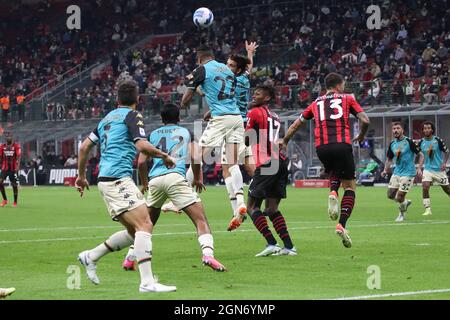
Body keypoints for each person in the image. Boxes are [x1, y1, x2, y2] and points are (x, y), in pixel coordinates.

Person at [75, 80, 177, 293]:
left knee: (133, 231)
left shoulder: (106, 118)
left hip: (107, 178)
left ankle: (90, 257)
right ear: (138, 100)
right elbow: (141, 145)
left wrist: (81, 176)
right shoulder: (133, 115)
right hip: (117, 179)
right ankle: (147, 282)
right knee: (145, 224)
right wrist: (164, 155)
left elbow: (84, 147)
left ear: (117, 99)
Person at [122, 104, 226, 272]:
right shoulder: (185, 132)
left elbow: (141, 162)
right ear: (179, 118)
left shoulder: (152, 134)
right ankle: (208, 255)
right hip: (175, 178)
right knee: (200, 220)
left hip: (155, 181)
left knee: (146, 225)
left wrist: (145, 183)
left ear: (162, 119)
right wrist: (198, 178)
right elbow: (195, 156)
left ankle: (130, 259)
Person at [280, 73, 370, 248]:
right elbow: (365, 120)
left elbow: (296, 124)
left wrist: (285, 141)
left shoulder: (315, 103)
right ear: (339, 84)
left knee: (334, 171)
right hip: (342, 144)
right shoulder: (347, 99)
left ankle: (333, 192)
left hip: (322, 148)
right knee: (350, 187)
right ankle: (341, 225)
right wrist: (361, 135)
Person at [181, 45, 247, 231]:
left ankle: (181, 195)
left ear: (199, 58)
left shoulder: (201, 69)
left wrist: (183, 104)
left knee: (198, 155)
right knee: (232, 163)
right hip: (236, 118)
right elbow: (223, 93)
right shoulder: (227, 69)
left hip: (221, 118)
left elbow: (188, 95)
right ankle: (240, 203)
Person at [246, 85, 296, 256]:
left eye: (258, 93)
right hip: (280, 162)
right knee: (271, 209)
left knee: (252, 206)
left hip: (266, 163)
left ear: (267, 98)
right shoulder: (275, 116)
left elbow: (247, 138)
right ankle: (289, 246)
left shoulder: (254, 113)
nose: (254, 95)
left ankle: (271, 243)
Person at [220, 41, 258, 217]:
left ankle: (239, 207)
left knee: (228, 166)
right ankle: (258, 197)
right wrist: (249, 53)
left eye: (231, 65)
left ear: (237, 69)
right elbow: (248, 67)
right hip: (244, 123)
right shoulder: (244, 78)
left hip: (232, 123)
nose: (227, 67)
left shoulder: (229, 81)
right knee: (249, 167)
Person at [381, 122, 424, 222]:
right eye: (394, 129)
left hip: (408, 173)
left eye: (398, 128)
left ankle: (401, 214)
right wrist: (385, 170)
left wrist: (419, 168)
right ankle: (405, 202)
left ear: (402, 130)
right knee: (390, 195)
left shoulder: (409, 141)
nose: (395, 130)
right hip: (397, 172)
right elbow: (389, 159)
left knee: (400, 196)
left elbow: (421, 155)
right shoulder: (392, 144)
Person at [418, 121, 450, 216]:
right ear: (423, 130)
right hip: (427, 169)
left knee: (447, 189)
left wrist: (444, 163)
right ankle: (428, 209)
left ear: (432, 129)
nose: (426, 130)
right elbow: (419, 155)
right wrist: (419, 168)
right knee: (425, 186)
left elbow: (447, 151)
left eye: (428, 128)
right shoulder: (421, 142)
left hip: (439, 170)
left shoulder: (438, 140)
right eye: (425, 128)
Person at [0, 134, 21, 207]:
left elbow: (18, 156)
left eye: (10, 137)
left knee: (14, 185)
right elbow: (0, 157)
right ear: (6, 138)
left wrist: (18, 166)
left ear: (12, 138)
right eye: (7, 137)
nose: (8, 138)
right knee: (0, 182)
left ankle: (15, 202)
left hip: (13, 169)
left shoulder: (16, 146)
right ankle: (5, 200)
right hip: (4, 168)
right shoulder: (2, 146)